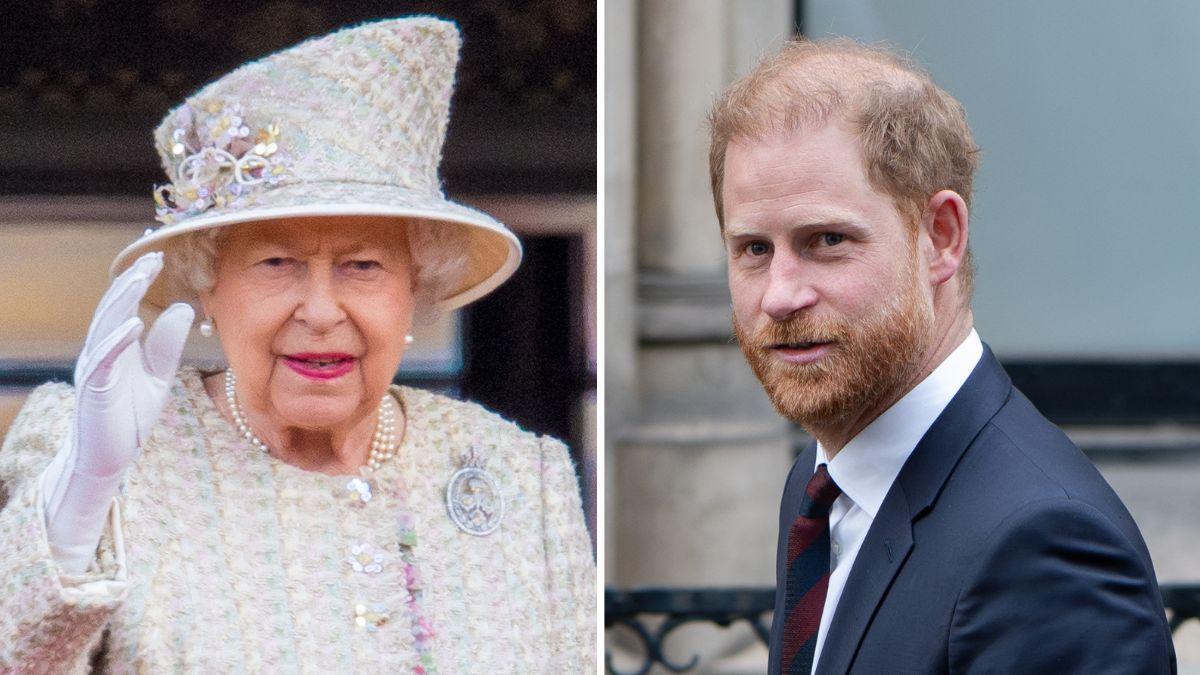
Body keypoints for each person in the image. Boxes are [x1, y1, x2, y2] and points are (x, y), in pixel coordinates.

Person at [0, 18, 594, 673]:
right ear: (208, 287)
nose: (320, 310)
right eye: (277, 263)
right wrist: (82, 494)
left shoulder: (521, 474)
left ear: (414, 290)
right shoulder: (91, 449)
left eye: (362, 266)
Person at [708, 38, 1175, 674]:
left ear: (941, 237)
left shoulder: (1045, 545)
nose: (780, 295)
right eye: (754, 249)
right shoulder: (821, 483)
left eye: (827, 240)